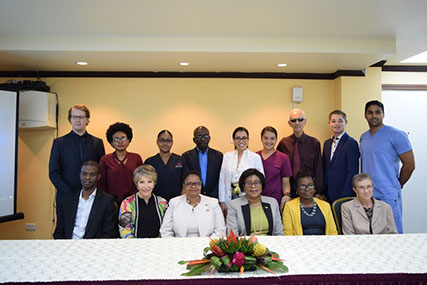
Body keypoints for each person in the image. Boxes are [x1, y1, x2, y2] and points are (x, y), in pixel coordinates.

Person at [360, 100, 415, 233]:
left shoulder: (397, 135)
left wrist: (397, 184)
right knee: (370, 232)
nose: (374, 116)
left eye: (378, 112)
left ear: (383, 114)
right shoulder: (364, 137)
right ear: (365, 115)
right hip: (368, 194)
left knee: (393, 232)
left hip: (387, 194)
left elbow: (410, 165)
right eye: (370, 113)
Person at [49, 104, 105, 215]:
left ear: (87, 120)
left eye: (81, 117)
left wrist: (90, 193)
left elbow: (101, 171)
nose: (78, 120)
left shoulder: (97, 143)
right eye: (74, 117)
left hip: (90, 198)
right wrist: (71, 193)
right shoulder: (59, 143)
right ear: (70, 119)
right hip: (66, 197)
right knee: (64, 231)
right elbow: (54, 173)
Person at [53, 161, 117, 239]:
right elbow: (59, 230)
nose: (87, 177)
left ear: (98, 177)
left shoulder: (106, 201)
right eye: (84, 174)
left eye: (92, 174)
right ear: (80, 175)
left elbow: (109, 233)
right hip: (68, 245)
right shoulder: (68, 200)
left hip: (93, 247)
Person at [160, 171, 225, 237]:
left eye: (197, 183)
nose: (193, 186)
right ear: (184, 186)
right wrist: (175, 245)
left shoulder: (213, 203)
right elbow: (165, 230)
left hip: (208, 244)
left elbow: (220, 230)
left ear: (201, 185)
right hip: (179, 244)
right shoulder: (174, 202)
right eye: (189, 183)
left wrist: (208, 244)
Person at [277, 109, 323, 198]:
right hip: (290, 189)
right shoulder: (283, 143)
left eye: (300, 120)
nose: (297, 123)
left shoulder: (314, 143)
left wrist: (318, 191)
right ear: (289, 123)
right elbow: (279, 169)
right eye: (293, 120)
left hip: (309, 189)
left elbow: (319, 169)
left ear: (305, 121)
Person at [218, 127, 264, 215]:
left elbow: (261, 180)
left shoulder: (255, 157)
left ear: (248, 140)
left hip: (249, 197)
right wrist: (222, 201)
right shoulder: (227, 156)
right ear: (234, 140)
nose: (241, 141)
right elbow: (222, 180)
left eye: (244, 138)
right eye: (238, 138)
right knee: (232, 225)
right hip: (230, 198)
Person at [226, 168, 284, 236]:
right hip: (246, 244)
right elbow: (232, 235)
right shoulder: (234, 205)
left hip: (270, 244)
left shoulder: (272, 203)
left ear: (262, 185)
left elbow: (279, 232)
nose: (253, 186)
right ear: (243, 186)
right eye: (249, 183)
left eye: (256, 183)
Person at [98, 122, 143, 204]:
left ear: (128, 141)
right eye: (116, 139)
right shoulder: (105, 159)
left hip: (133, 201)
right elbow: (101, 184)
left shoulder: (136, 158)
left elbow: (142, 180)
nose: (120, 142)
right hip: (110, 202)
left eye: (123, 138)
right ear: (111, 142)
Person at [118, 165, 168, 238]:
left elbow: (167, 228)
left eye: (149, 182)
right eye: (142, 182)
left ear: (154, 183)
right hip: (134, 245)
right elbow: (124, 231)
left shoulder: (163, 203)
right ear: (136, 184)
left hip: (158, 244)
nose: (146, 186)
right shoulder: (127, 203)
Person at [282, 171, 337, 235]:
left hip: (324, 243)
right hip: (299, 243)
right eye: (302, 186)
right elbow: (288, 232)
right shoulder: (289, 206)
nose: (307, 189)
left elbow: (332, 231)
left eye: (310, 186)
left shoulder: (325, 205)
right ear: (297, 189)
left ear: (314, 188)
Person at [322, 110, 359, 203]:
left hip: (344, 195)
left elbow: (352, 172)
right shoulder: (327, 143)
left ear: (346, 122)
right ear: (329, 123)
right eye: (333, 121)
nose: (336, 124)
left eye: (340, 121)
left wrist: (344, 196)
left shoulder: (351, 143)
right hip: (327, 195)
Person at [144, 130, 188, 201]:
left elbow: (186, 181)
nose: (165, 143)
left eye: (168, 141)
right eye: (162, 140)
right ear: (157, 142)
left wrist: (181, 200)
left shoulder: (180, 160)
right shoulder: (150, 161)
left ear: (172, 142)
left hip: (176, 201)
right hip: (155, 202)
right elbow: (145, 184)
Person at [182, 126, 223, 198]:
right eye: (199, 136)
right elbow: (187, 179)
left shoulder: (218, 156)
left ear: (209, 138)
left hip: (214, 197)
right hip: (194, 196)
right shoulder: (186, 156)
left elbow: (220, 178)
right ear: (194, 140)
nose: (202, 139)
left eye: (205, 136)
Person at [256, 126, 292, 209]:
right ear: (261, 139)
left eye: (272, 139)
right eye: (266, 138)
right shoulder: (255, 156)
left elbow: (286, 183)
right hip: (256, 199)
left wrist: (286, 195)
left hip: (275, 200)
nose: (269, 141)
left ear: (276, 140)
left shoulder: (283, 158)